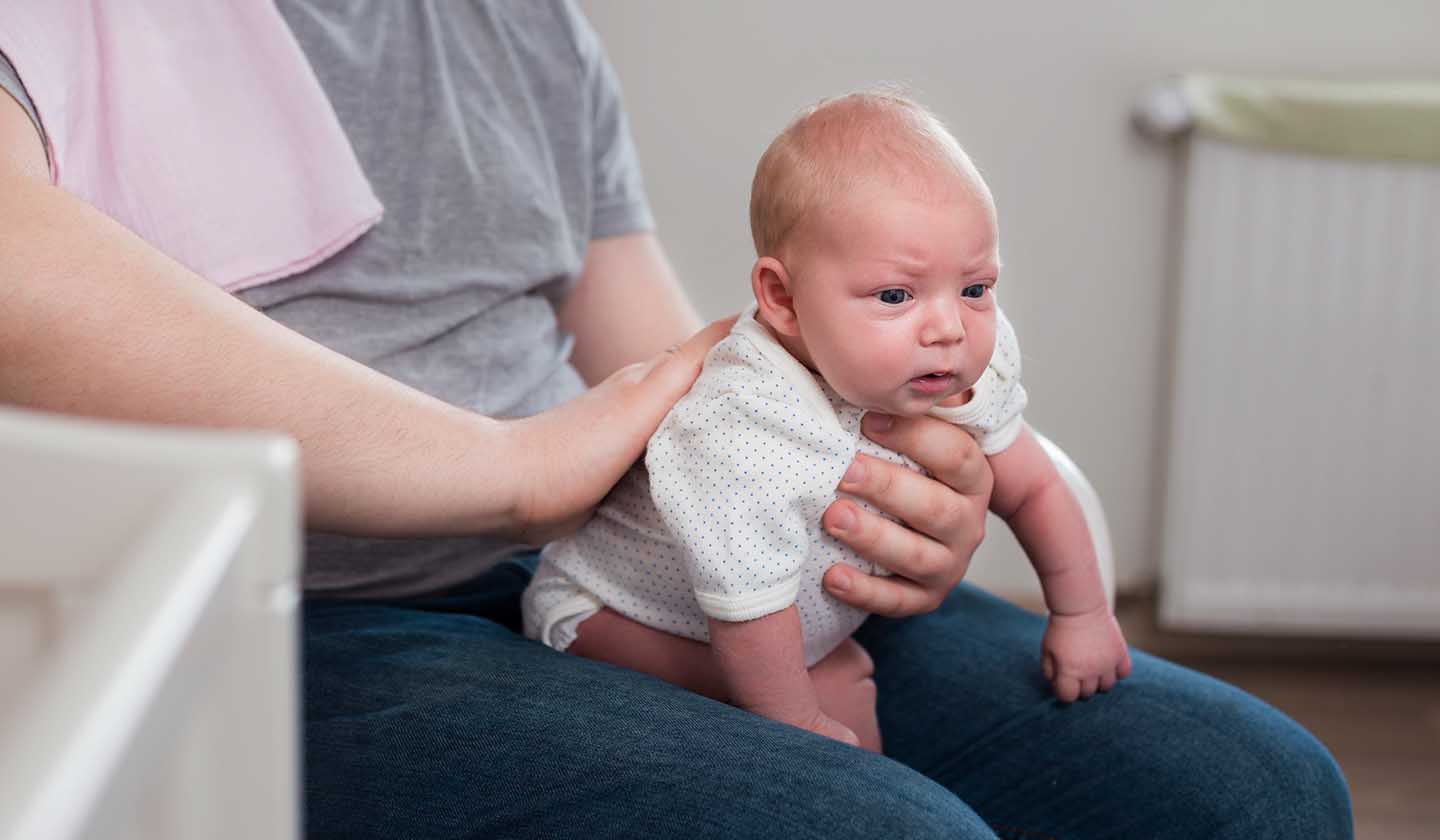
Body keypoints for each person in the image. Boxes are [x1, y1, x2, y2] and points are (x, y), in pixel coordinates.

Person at [0, 2, 1352, 837]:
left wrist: (897, 480)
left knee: (1256, 790)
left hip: (601, 554)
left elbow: (671, 363)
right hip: (277, 618)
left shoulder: (517, 26)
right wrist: (510, 468)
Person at [523, 90, 1130, 751]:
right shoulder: (745, 425)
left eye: (976, 288)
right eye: (896, 296)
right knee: (837, 692)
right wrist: (799, 719)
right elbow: (744, 607)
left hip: (807, 618)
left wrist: (1083, 613)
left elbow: (1035, 486)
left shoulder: (957, 369)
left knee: (842, 680)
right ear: (782, 300)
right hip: (615, 616)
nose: (950, 328)